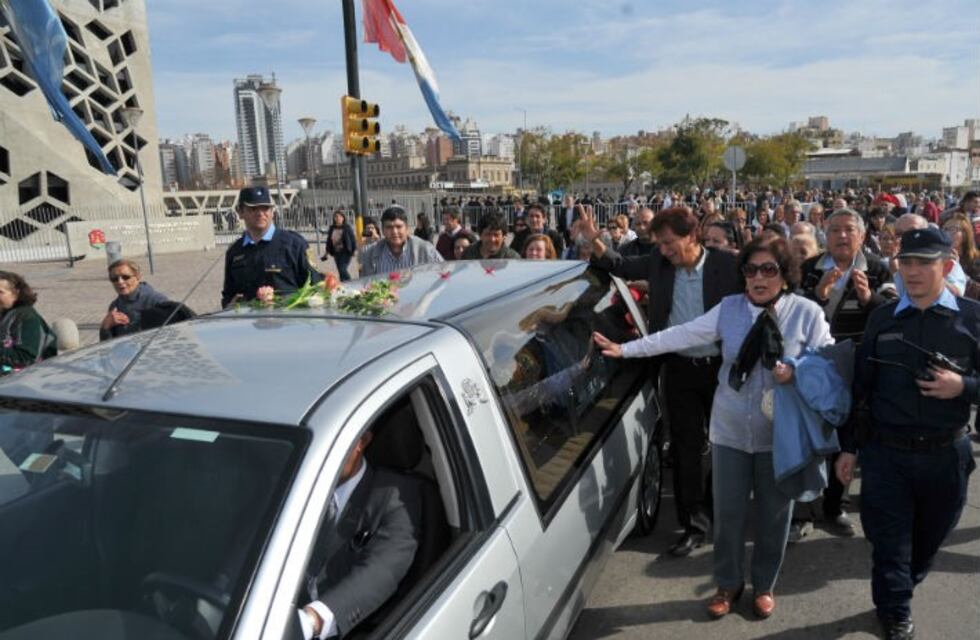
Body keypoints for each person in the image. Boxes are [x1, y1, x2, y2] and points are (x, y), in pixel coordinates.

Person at [594, 237, 833, 620]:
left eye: (768, 269)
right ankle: (728, 584)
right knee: (729, 514)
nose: (758, 278)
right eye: (751, 270)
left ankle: (764, 585)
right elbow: (681, 334)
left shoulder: (807, 313)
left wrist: (798, 371)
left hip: (781, 437)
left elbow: (827, 362)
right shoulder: (729, 308)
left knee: (774, 517)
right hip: (730, 432)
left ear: (786, 275)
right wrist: (627, 349)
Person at [835, 227, 978, 640]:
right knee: (889, 545)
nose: (912, 272)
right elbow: (861, 388)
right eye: (906, 263)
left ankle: (898, 587)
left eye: (923, 263)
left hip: (946, 454)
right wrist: (849, 447)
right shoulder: (882, 317)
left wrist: (964, 386)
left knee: (929, 541)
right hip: (887, 455)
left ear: (947, 267)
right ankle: (895, 611)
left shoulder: (972, 318)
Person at [583, 207, 740, 557]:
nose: (664, 250)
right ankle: (693, 525)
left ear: (692, 236)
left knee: (726, 446)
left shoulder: (727, 265)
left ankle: (717, 509)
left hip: (722, 369)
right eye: (659, 244)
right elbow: (619, 265)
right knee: (686, 450)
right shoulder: (658, 262)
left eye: (669, 243)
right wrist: (594, 239)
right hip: (679, 368)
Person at [796, 208, 895, 540]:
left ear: (862, 235)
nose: (841, 236)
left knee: (848, 436)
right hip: (815, 365)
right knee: (809, 435)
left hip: (857, 363)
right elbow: (792, 310)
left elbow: (892, 314)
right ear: (824, 234)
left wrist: (869, 298)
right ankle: (803, 510)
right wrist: (818, 295)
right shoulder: (810, 268)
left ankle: (834, 504)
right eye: (834, 229)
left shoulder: (877, 268)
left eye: (849, 230)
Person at [298, 430, 420, 639]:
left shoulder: (394, 495)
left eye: (329, 446)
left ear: (361, 441)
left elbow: (381, 570)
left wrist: (313, 619)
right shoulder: (296, 486)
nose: (317, 456)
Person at [221, 186, 323, 307]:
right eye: (253, 209)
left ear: (272, 212)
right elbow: (228, 296)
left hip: (288, 316)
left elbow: (316, 287)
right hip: (248, 318)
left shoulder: (294, 245)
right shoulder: (235, 252)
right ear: (240, 212)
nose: (260, 213)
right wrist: (230, 305)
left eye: (265, 208)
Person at [100, 258, 178, 341]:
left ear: (138, 277)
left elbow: (172, 335)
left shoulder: (156, 301)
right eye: (114, 278)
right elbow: (108, 343)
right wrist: (105, 326)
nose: (120, 282)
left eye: (125, 277)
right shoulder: (115, 305)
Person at [359, 206, 443, 276]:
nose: (394, 232)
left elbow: (444, 273)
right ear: (383, 230)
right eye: (389, 227)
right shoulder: (370, 254)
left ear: (407, 228)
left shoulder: (425, 250)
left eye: (398, 227)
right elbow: (364, 285)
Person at [0, 271, 56, 374]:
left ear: (16, 293)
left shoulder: (26, 317)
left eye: (0, 292)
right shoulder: (5, 313)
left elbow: (26, 358)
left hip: (26, 378)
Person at [324, 211, 357, 282]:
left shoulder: (347, 228)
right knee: (340, 270)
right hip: (336, 252)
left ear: (343, 218)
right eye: (336, 217)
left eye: (339, 216)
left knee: (342, 269)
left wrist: (354, 250)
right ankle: (343, 283)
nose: (337, 218)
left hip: (346, 252)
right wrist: (326, 252)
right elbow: (329, 241)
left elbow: (353, 239)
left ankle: (350, 282)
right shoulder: (332, 228)